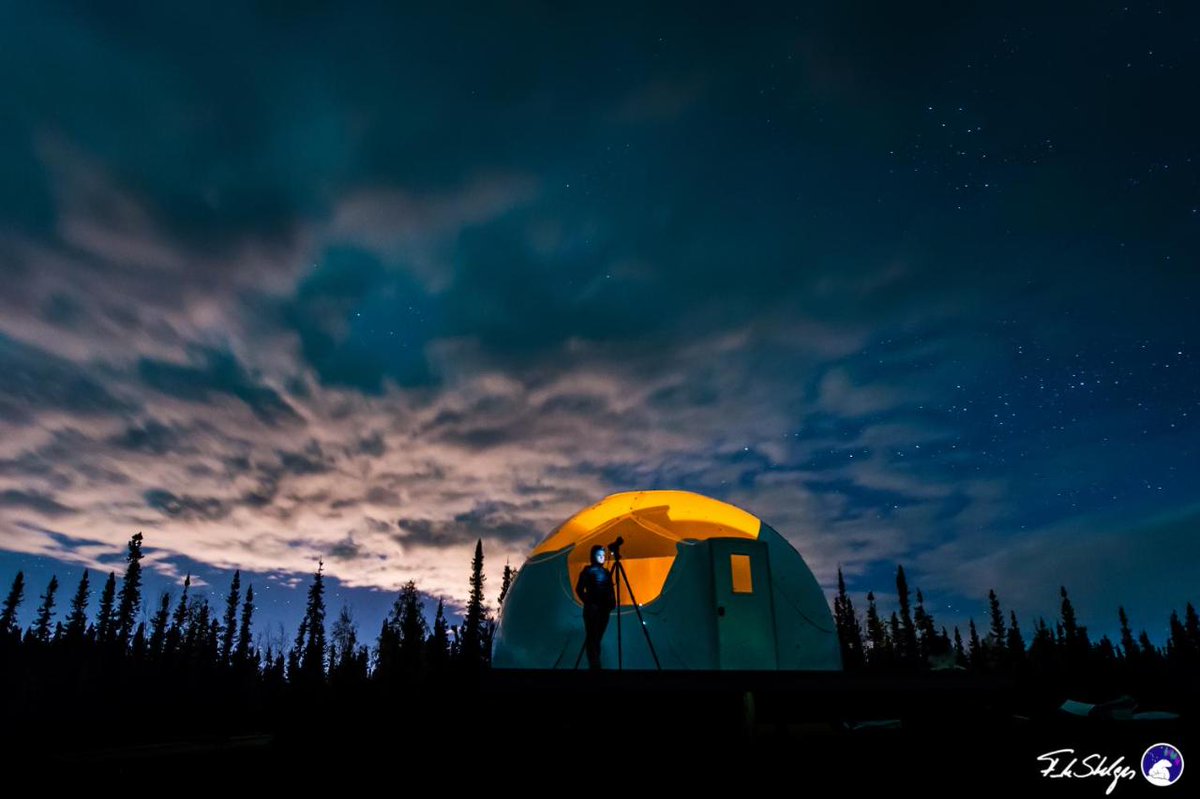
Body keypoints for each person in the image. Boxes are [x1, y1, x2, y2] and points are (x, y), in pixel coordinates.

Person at [574, 544, 616, 670]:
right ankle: (594, 664)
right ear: (593, 556)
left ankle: (595, 663)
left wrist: (611, 602)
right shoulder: (587, 571)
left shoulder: (606, 573)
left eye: (603, 555)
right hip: (593, 610)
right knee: (592, 638)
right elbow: (579, 589)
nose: (602, 558)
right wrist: (589, 602)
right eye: (599, 555)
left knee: (597, 638)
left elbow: (610, 589)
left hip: (604, 610)